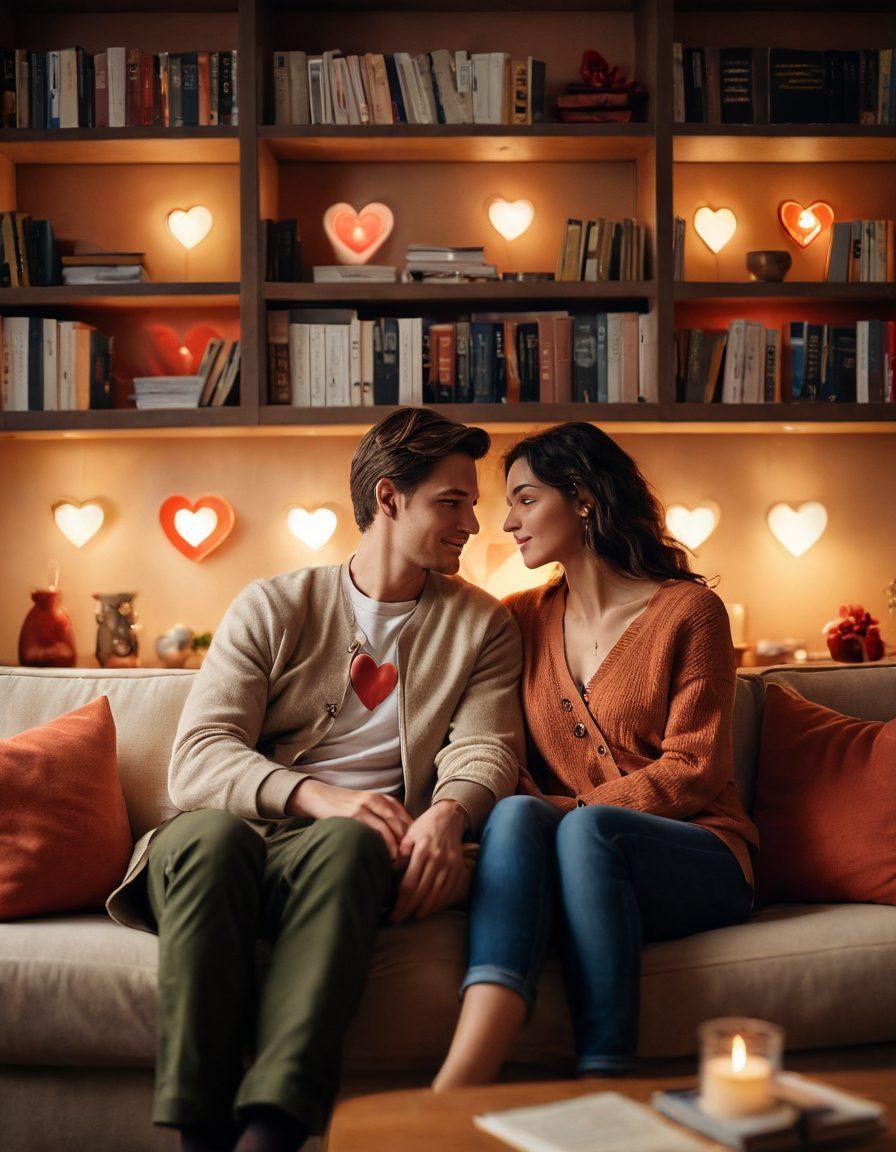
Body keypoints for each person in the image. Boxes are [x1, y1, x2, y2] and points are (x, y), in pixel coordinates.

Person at [106, 407, 524, 1152]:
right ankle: (200, 1134)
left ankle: (271, 1133)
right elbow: (199, 754)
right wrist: (322, 796)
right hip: (227, 838)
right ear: (389, 497)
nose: (471, 523)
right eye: (451, 503)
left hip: (344, 858)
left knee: (352, 843)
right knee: (214, 840)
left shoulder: (482, 625)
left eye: (473, 504)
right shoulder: (274, 604)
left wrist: (448, 813)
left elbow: (485, 747)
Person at [433, 421, 759, 1090]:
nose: (508, 522)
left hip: (699, 852)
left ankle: (605, 1077)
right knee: (518, 814)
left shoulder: (691, 612)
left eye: (526, 499)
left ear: (582, 496)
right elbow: (504, 752)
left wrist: (573, 811)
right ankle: (470, 1064)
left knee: (584, 828)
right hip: (574, 852)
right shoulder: (519, 618)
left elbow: (695, 769)